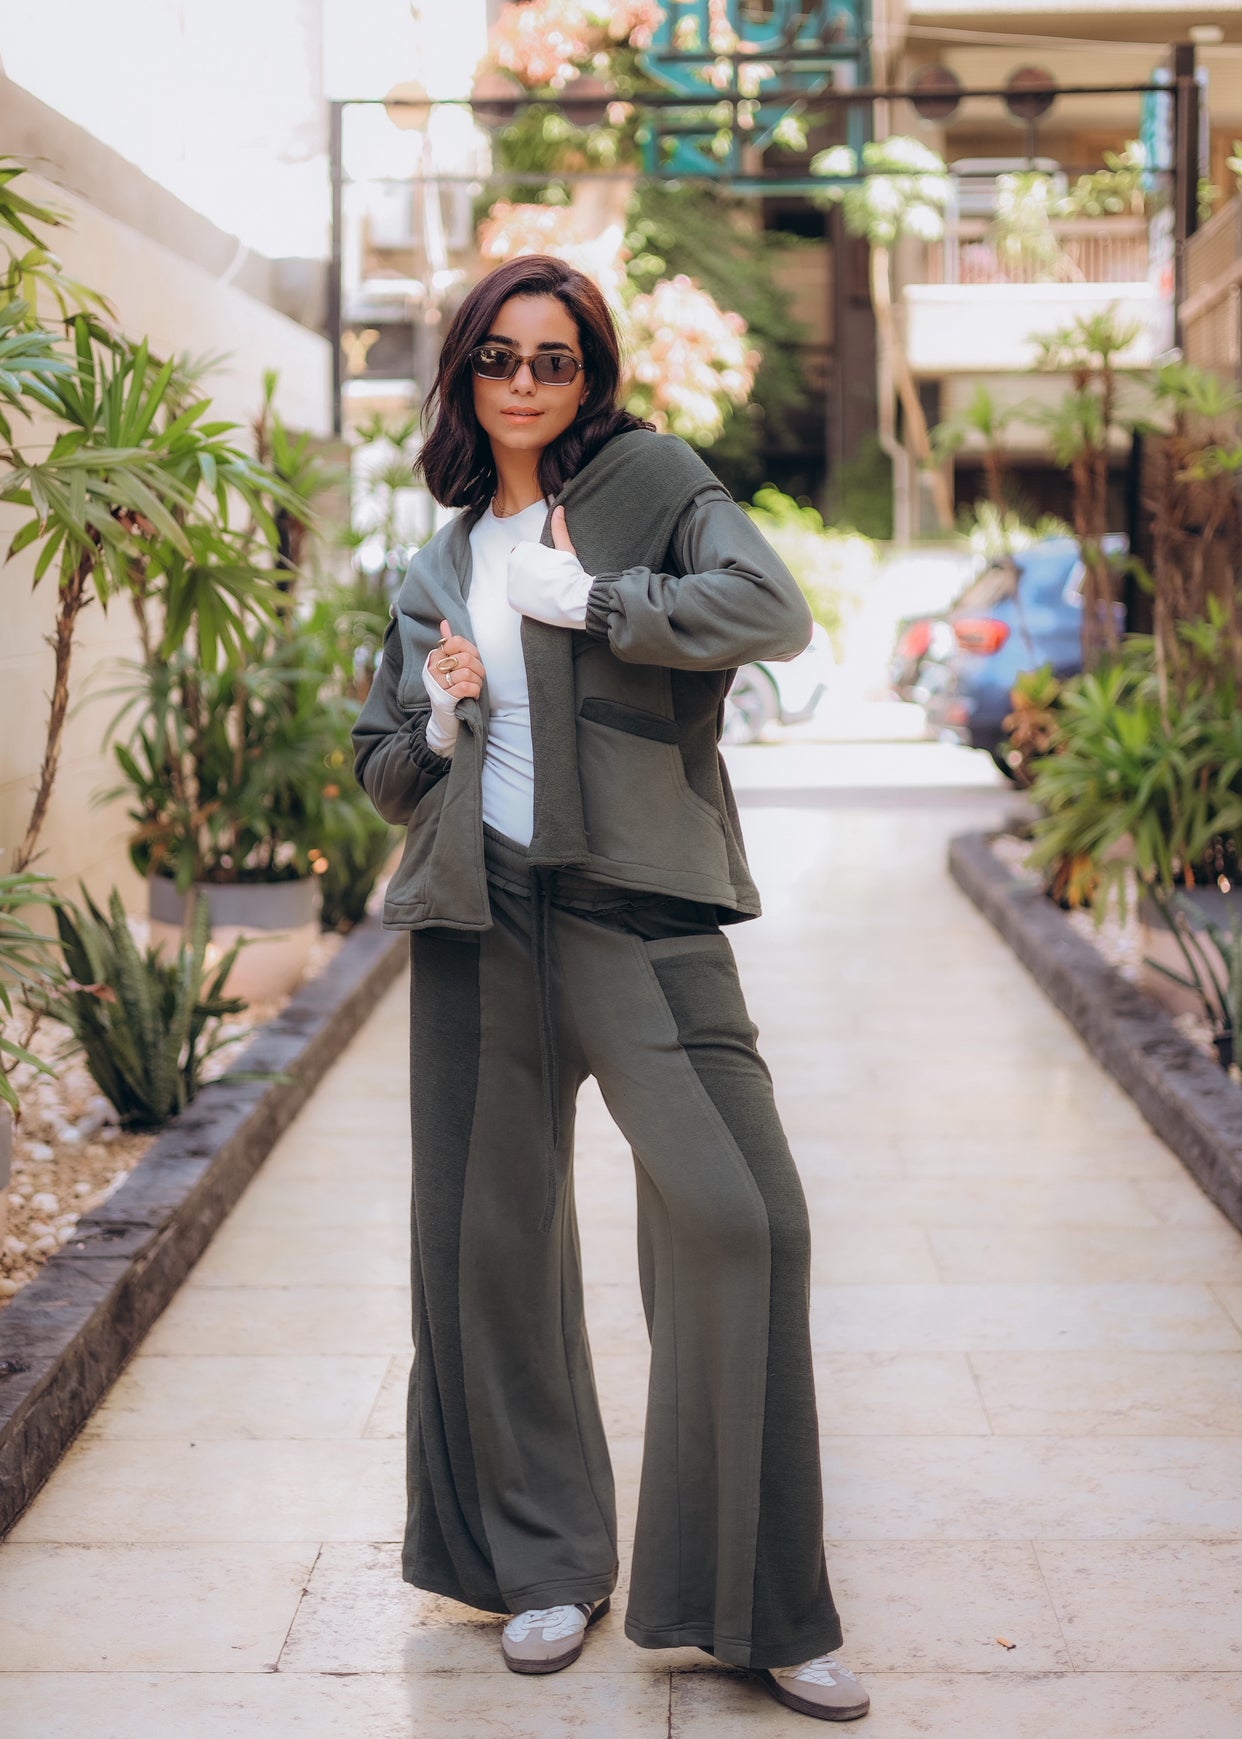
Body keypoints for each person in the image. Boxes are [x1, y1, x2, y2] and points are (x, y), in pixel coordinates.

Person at [352, 254, 870, 1724]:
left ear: (592, 377)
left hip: (635, 907)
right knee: (489, 1248)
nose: (525, 382)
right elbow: (383, 770)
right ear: (463, 375)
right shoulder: (438, 565)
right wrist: (439, 724)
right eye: (499, 358)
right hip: (479, 921)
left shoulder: (646, 486)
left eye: (555, 359)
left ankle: (755, 1604)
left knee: (744, 1216)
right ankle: (541, 1564)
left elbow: (768, 608)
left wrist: (598, 601)